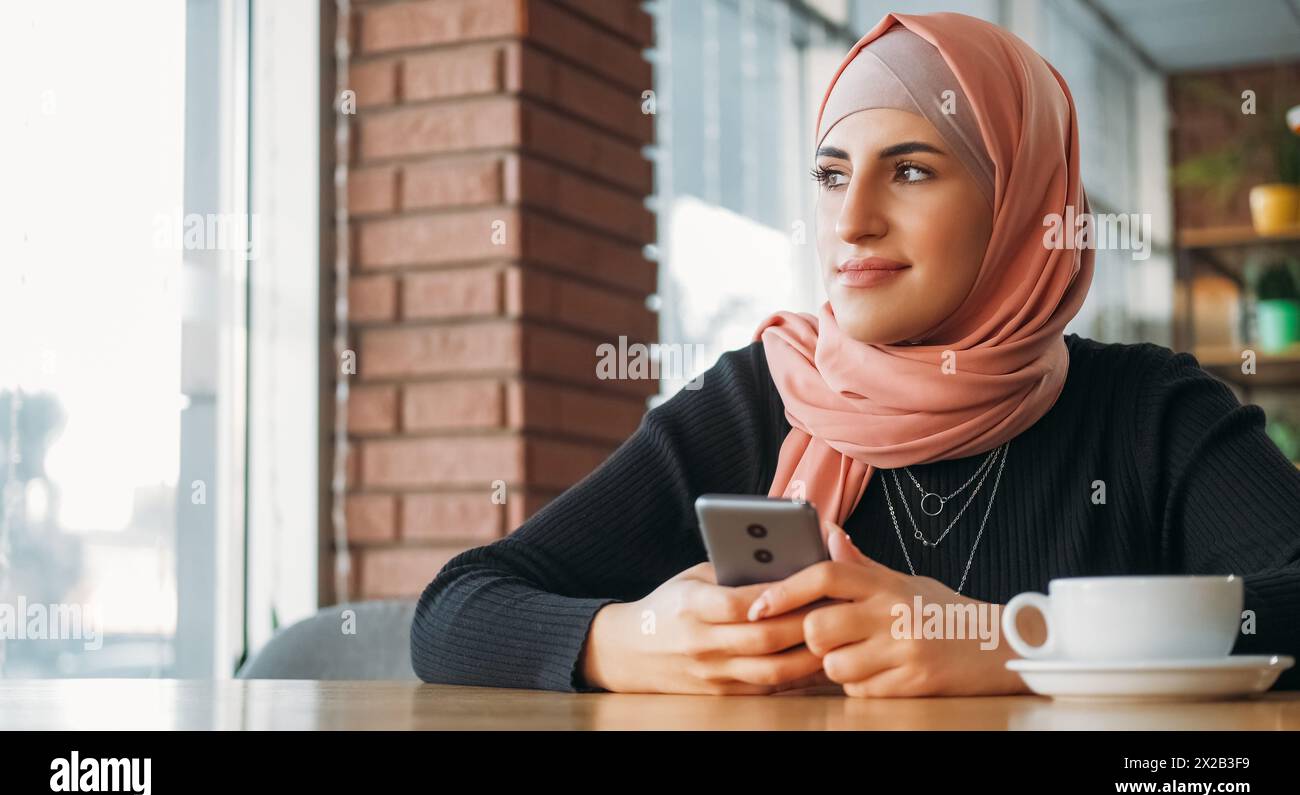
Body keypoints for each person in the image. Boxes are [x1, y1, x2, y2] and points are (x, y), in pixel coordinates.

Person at [409, 12, 1300, 696]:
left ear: (1022, 206)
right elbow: (457, 607)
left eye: (910, 170)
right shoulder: (766, 394)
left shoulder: (1147, 410)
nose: (849, 219)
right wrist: (635, 640)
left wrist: (1016, 643)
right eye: (832, 175)